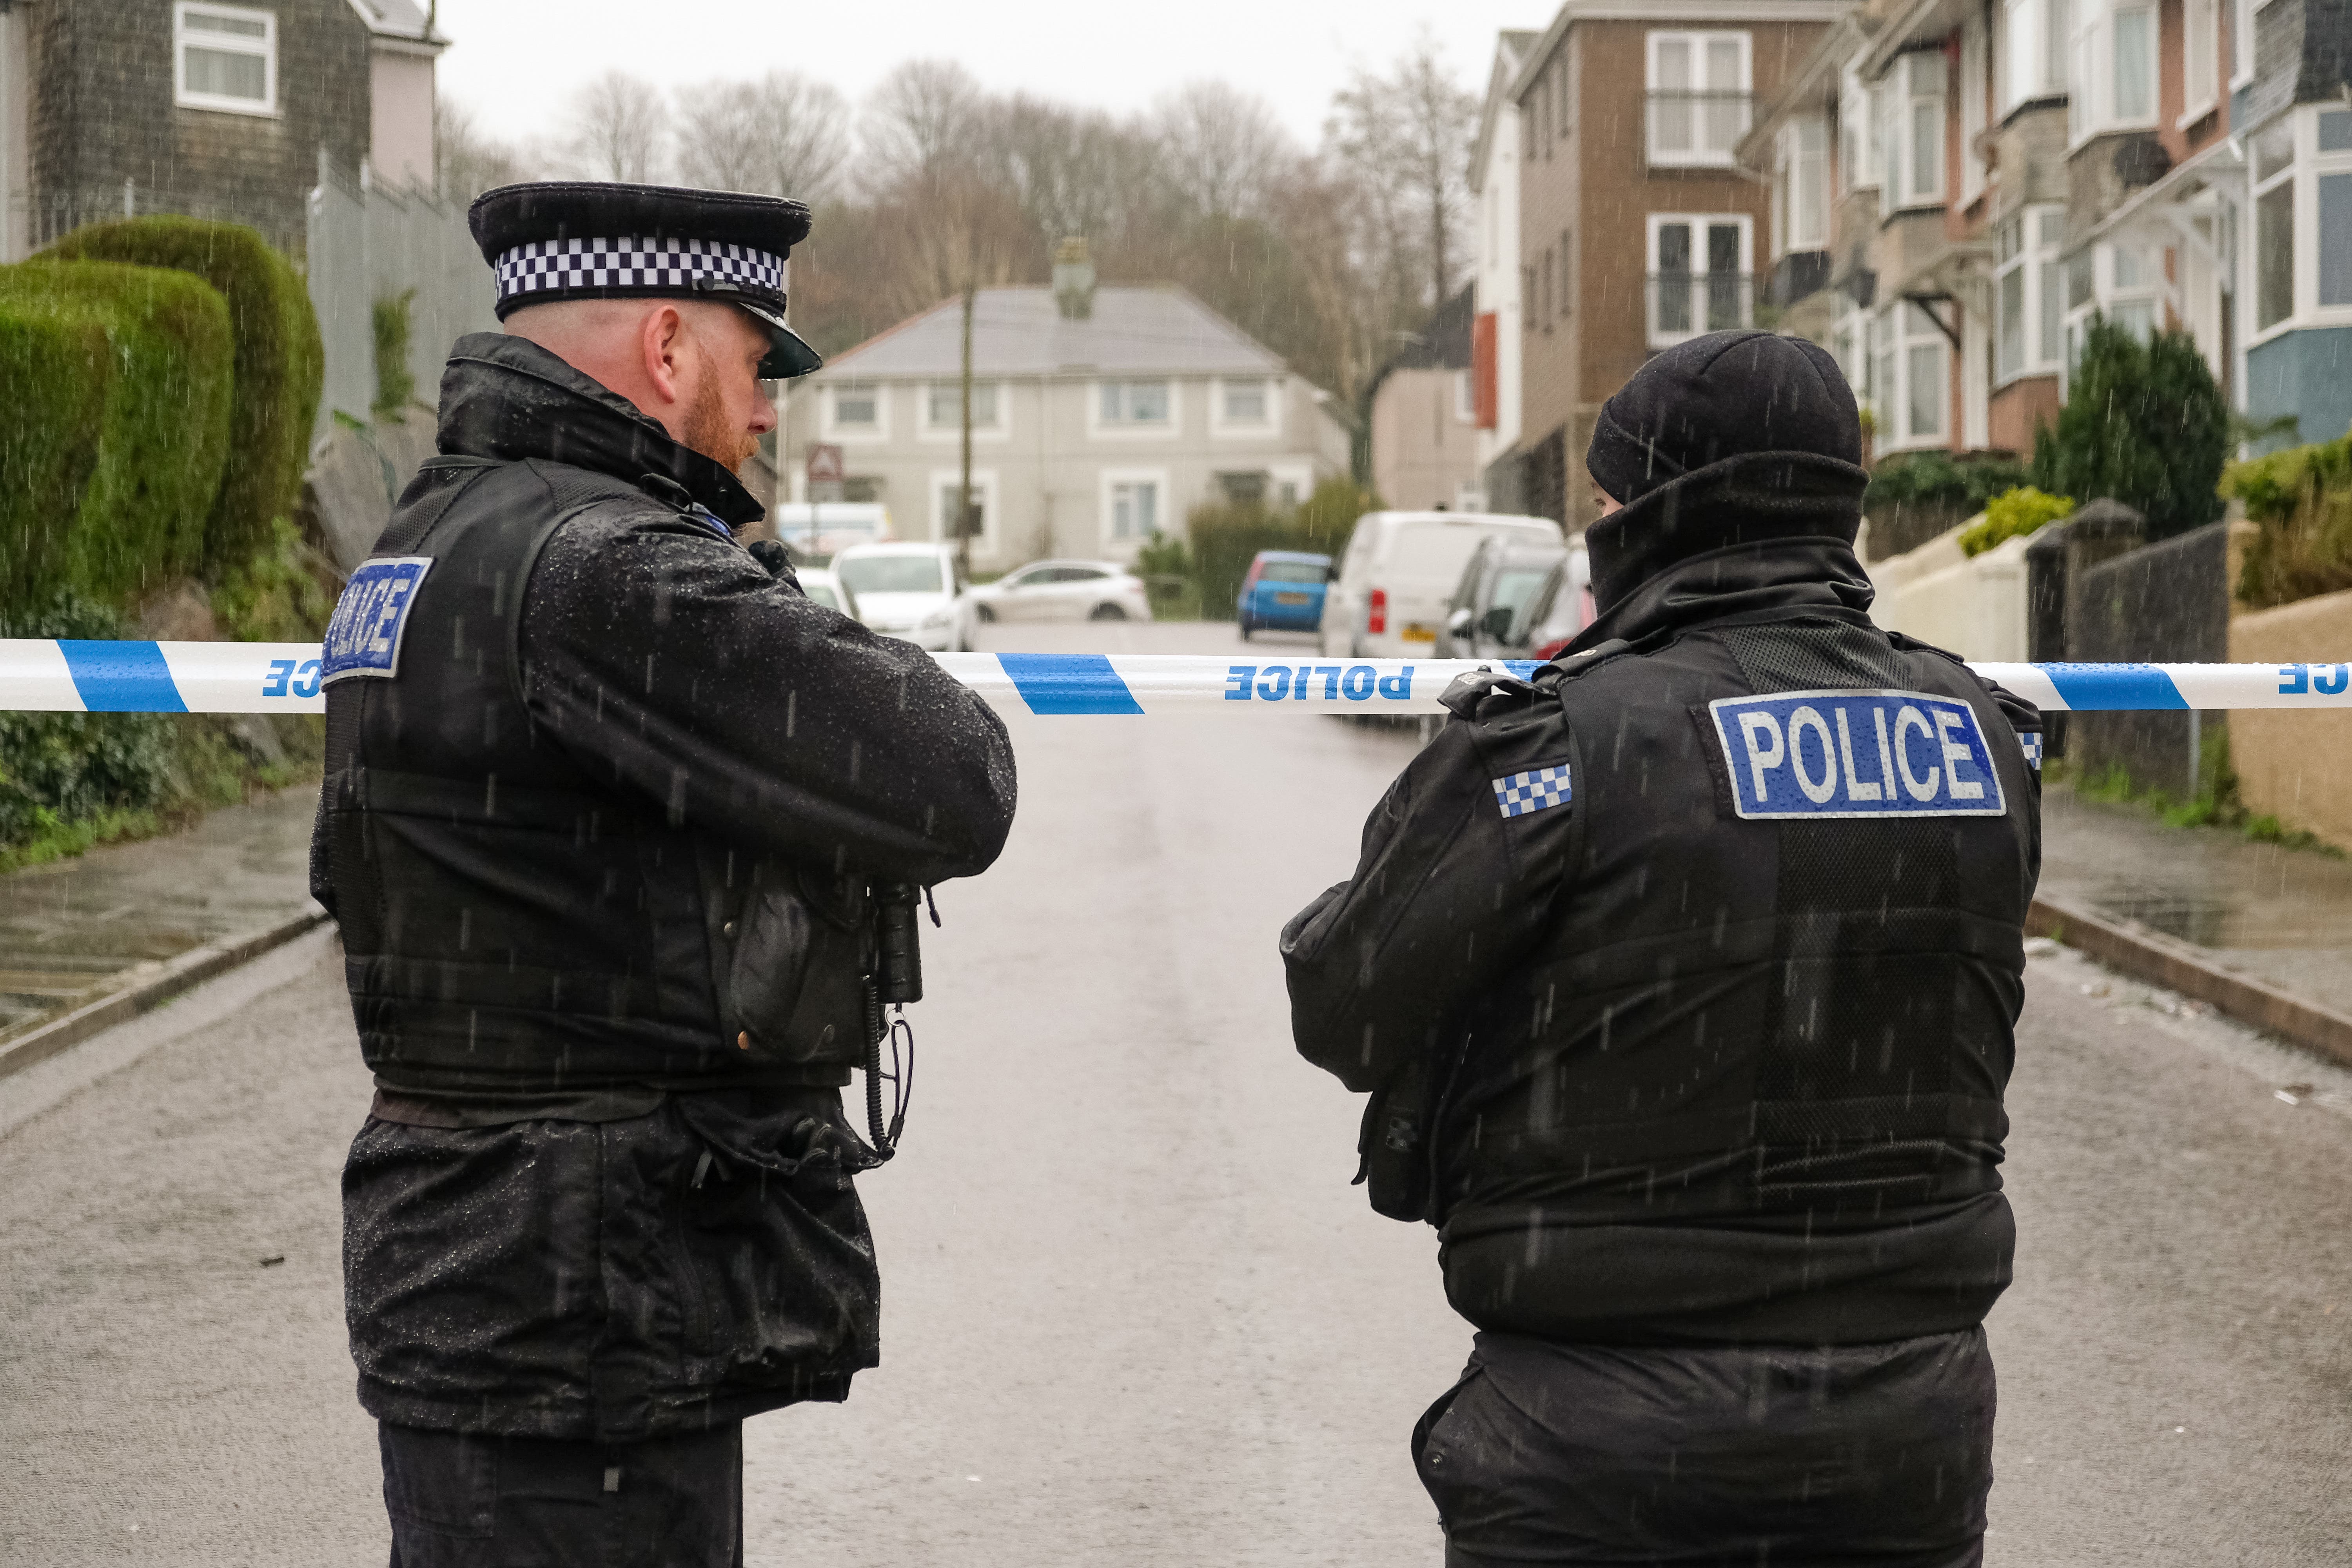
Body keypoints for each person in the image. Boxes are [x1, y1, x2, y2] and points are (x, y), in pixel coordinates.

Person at [310, 181, 1018, 1563]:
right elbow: (956, 775)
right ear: (670, 347)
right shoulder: (609, 573)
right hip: (581, 1311)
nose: (766, 415)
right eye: (758, 366)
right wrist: (760, 569)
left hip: (489, 1275)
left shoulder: (428, 536)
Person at [1281, 328, 2041, 1567]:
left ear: (1651, 514)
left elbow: (1343, 1002)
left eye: (1603, 499)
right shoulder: (1986, 738)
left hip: (1598, 1447)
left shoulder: (1560, 747)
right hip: (1911, 1436)